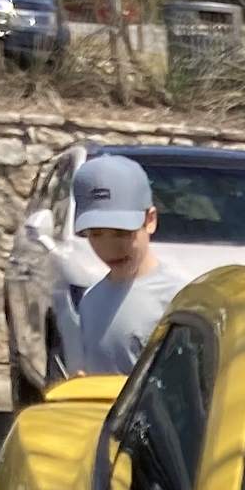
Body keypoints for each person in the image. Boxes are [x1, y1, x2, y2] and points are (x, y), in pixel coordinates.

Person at [69, 153, 180, 375]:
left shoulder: (178, 299)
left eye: (121, 232)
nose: (109, 248)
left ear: (150, 221)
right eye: (96, 233)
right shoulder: (91, 300)